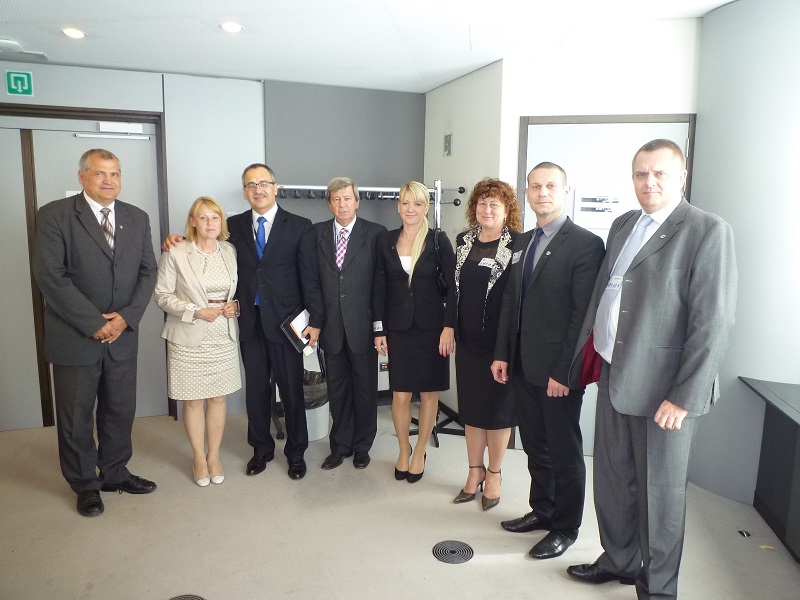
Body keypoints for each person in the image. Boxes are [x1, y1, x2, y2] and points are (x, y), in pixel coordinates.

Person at [566, 139, 737, 599]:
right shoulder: (624, 224)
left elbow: (713, 322)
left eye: (660, 173)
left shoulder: (706, 230)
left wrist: (683, 398)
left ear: (681, 177)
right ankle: (619, 560)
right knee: (613, 481)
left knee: (660, 498)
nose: (649, 182)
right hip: (616, 375)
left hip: (666, 392)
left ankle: (658, 589)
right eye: (641, 174)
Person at [163, 163, 324, 480]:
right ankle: (261, 450)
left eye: (263, 183)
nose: (258, 189)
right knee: (256, 392)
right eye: (251, 185)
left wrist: (316, 320)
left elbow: (310, 277)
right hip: (248, 322)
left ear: (275, 187)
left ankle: (296, 453)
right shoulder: (233, 225)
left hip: (287, 324)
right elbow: (205, 241)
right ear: (245, 191)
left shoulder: (300, 226)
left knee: (292, 391)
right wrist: (175, 239)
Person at [33, 148, 158, 517]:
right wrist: (95, 322)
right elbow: (50, 276)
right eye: (101, 173)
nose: (109, 180)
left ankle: (116, 472)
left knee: (119, 411)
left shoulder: (136, 217)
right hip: (75, 337)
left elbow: (148, 271)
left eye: (115, 174)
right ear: (82, 176)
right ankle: (85, 484)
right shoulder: (55, 215)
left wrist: (125, 318)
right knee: (76, 416)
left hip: (123, 335)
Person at [491, 162, 604, 559]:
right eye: (535, 186)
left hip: (558, 371)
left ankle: (565, 527)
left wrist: (565, 372)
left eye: (551, 186)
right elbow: (511, 300)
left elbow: (582, 317)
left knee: (564, 450)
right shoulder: (522, 242)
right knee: (535, 445)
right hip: (522, 364)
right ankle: (542, 510)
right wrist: (502, 353)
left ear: (565, 191)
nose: (542, 193)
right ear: (527, 192)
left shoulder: (586, 244)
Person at [154, 197, 241, 487]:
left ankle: (213, 456)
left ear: (221, 222)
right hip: (189, 335)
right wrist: (194, 311)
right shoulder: (176, 251)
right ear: (192, 221)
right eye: (203, 217)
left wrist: (235, 306)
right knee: (193, 401)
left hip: (223, 335)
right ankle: (199, 458)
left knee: (218, 398)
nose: (209, 223)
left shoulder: (229, 250)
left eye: (215, 217)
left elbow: (236, 291)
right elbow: (162, 295)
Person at [373, 181, 456, 483]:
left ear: (426, 207)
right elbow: (379, 286)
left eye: (418, 203)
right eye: (406, 203)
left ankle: (420, 450)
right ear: (398, 206)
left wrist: (449, 327)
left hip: (432, 329)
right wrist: (378, 328)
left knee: (429, 392)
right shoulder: (386, 240)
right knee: (400, 394)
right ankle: (403, 448)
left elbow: (454, 287)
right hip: (398, 328)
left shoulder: (438, 240)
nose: (411, 209)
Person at [452, 178, 521, 510]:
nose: (487, 209)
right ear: (474, 208)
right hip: (468, 342)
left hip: (500, 345)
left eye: (495, 204)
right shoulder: (464, 241)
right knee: (472, 411)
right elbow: (454, 291)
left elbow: (515, 299)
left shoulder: (519, 245)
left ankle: (494, 474)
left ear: (507, 210)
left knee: (498, 412)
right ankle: (474, 470)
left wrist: (504, 350)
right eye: (482, 203)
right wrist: (449, 327)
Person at [314, 177, 386, 470]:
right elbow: (312, 281)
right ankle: (340, 445)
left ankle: (362, 446)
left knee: (365, 390)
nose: (342, 204)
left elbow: (380, 285)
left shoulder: (376, 234)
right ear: (329, 204)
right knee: (338, 390)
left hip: (363, 327)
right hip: (330, 326)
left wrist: (379, 328)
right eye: (336, 199)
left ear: (357, 202)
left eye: (347, 198)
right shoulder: (316, 233)